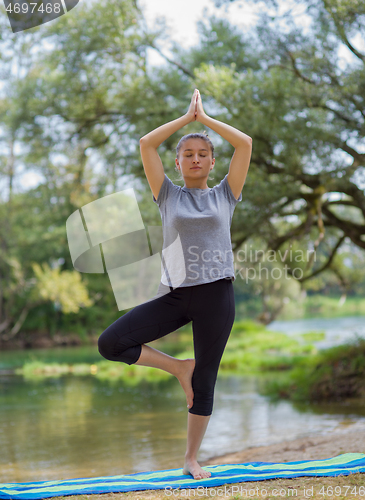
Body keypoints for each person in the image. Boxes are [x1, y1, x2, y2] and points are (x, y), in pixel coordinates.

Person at [98, 89, 252, 480]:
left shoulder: (226, 195)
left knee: (207, 381)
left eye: (203, 154)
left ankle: (190, 458)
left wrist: (207, 120)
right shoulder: (165, 194)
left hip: (216, 294)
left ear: (213, 162)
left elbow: (245, 143)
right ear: (178, 163)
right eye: (188, 154)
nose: (196, 158)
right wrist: (187, 119)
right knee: (111, 343)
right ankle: (178, 368)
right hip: (175, 295)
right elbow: (146, 143)